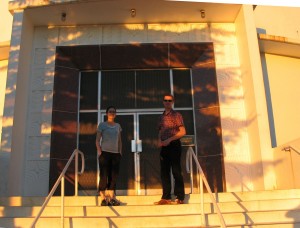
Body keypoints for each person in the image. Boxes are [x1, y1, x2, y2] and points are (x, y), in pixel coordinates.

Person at [155, 94, 186, 205]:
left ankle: (180, 197)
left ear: (172, 102)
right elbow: (160, 130)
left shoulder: (177, 115)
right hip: (164, 147)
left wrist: (170, 140)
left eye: (170, 100)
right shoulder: (161, 117)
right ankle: (166, 197)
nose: (167, 102)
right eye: (165, 100)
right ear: (163, 102)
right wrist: (159, 140)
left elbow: (182, 132)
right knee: (164, 172)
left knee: (176, 171)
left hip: (174, 145)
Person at [96, 106, 122, 206]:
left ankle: (112, 196)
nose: (112, 113)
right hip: (105, 153)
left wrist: (120, 152)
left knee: (114, 175)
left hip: (116, 154)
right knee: (104, 174)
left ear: (115, 114)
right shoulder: (102, 125)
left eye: (113, 112)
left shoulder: (118, 126)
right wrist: (99, 151)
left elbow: (119, 141)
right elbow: (97, 140)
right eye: (110, 111)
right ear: (106, 113)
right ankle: (102, 196)